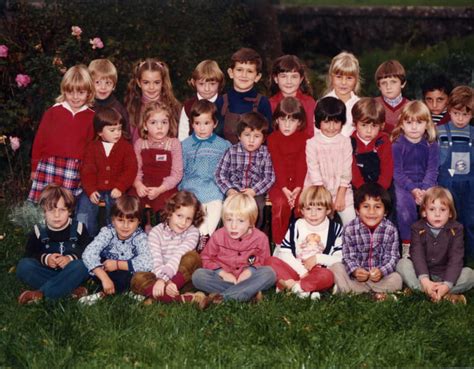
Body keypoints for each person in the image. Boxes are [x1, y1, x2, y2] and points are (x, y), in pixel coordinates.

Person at [28, 65, 95, 203]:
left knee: (66, 204)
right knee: (44, 203)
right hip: (49, 164)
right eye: (71, 92)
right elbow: (39, 141)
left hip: (73, 169)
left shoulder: (92, 117)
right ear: (64, 91)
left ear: (89, 93)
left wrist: (86, 174)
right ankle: (40, 225)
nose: (75, 97)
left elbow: (91, 148)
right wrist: (34, 167)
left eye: (81, 92)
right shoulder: (53, 112)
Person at [130, 191, 209, 308]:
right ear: (170, 213)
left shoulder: (193, 232)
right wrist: (162, 281)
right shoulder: (156, 232)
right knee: (137, 279)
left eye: (188, 219)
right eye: (179, 216)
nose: (183, 223)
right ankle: (184, 299)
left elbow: (178, 255)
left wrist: (170, 282)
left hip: (182, 280)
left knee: (193, 257)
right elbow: (155, 260)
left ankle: (157, 297)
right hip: (159, 279)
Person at [192, 193, 276, 302]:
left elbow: (263, 261)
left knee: (269, 273)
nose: (233, 226)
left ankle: (222, 298)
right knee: (198, 276)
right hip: (223, 279)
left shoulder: (261, 238)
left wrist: (249, 271)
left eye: (240, 221)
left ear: (251, 221)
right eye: (229, 220)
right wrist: (222, 273)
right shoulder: (218, 235)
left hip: (248, 279)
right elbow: (206, 258)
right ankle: (246, 294)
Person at [396, 186, 473, 304]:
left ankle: (432, 291)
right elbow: (417, 255)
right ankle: (439, 293)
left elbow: (456, 259)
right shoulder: (417, 227)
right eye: (432, 209)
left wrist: (447, 285)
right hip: (421, 274)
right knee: (402, 264)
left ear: (450, 213)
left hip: (445, 274)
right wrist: (425, 281)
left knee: (470, 275)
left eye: (442, 209)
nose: (437, 214)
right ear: (424, 212)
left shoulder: (457, 229)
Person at [16, 184, 92, 304]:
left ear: (70, 211)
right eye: (51, 210)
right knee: (23, 266)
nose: (57, 215)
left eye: (62, 210)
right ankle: (69, 290)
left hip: (71, 271)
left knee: (83, 266)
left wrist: (70, 258)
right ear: (43, 211)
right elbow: (30, 254)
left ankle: (41, 294)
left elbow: (88, 251)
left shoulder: (79, 228)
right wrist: (46, 259)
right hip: (46, 271)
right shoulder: (38, 230)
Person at [267, 186, 342, 299]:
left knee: (328, 276)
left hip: (318, 271)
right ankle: (307, 289)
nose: (313, 214)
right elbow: (284, 252)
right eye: (308, 209)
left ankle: (292, 287)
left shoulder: (335, 229)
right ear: (301, 210)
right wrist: (301, 271)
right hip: (295, 268)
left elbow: (339, 258)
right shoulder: (297, 225)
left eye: (319, 209)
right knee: (270, 261)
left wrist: (318, 258)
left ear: (328, 210)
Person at [330, 183, 402, 300]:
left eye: (377, 207)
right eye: (366, 206)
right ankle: (370, 292)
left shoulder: (390, 230)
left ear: (385, 212)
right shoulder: (350, 228)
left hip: (379, 280)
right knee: (336, 267)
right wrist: (355, 271)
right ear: (357, 210)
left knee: (397, 279)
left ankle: (349, 291)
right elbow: (348, 257)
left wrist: (381, 272)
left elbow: (392, 258)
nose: (371, 212)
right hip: (356, 279)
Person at [76, 107, 138, 236]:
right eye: (112, 130)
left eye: (119, 129)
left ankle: (114, 237)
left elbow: (131, 169)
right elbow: (87, 171)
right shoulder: (92, 148)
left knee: (118, 209)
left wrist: (120, 187)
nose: (117, 133)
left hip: (116, 189)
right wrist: (91, 190)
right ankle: (85, 237)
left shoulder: (126, 147)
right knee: (84, 208)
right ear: (100, 132)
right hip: (95, 188)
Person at [80, 195, 152, 304]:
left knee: (133, 276)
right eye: (120, 220)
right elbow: (88, 253)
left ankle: (102, 294)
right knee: (85, 264)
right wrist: (103, 276)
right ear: (113, 220)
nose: (125, 226)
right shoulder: (107, 232)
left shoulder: (140, 237)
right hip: (104, 271)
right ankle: (122, 291)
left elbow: (148, 262)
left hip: (126, 274)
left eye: (131, 221)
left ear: (139, 222)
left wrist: (118, 264)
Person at [179, 100, 231, 249]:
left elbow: (227, 169)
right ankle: (203, 236)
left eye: (206, 123)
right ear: (192, 124)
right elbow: (181, 169)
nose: (201, 128)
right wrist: (181, 187)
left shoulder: (223, 145)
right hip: (192, 184)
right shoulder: (185, 145)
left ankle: (205, 237)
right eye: (197, 123)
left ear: (214, 124)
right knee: (196, 206)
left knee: (216, 205)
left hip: (214, 184)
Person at [391, 101, 439, 255]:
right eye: (409, 122)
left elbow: (432, 170)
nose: (413, 127)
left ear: (427, 124)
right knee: (405, 208)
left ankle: (434, 243)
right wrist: (413, 189)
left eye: (419, 122)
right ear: (402, 124)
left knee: (435, 205)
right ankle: (407, 245)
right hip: (404, 184)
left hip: (427, 182)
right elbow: (397, 172)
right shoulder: (397, 145)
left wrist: (424, 189)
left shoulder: (431, 144)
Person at [215, 111, 275, 230]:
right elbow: (219, 174)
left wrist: (254, 191)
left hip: (255, 192)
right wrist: (229, 190)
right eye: (247, 135)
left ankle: (254, 234)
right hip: (234, 191)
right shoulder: (231, 151)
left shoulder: (265, 153)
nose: (251, 140)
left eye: (257, 136)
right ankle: (229, 234)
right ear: (239, 136)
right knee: (228, 209)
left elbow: (269, 178)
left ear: (263, 139)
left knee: (258, 208)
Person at [305, 96, 356, 225]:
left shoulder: (345, 142)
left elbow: (346, 170)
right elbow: (314, 171)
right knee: (317, 220)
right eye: (327, 122)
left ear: (342, 122)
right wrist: (325, 200)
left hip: (341, 190)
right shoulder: (312, 143)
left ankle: (348, 245)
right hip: (317, 191)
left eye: (336, 122)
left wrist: (340, 196)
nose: (332, 127)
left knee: (350, 221)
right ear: (318, 122)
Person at [130, 101, 183, 224]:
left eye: (164, 122)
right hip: (144, 185)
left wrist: (160, 189)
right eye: (153, 122)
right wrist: (138, 185)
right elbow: (135, 169)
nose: (160, 127)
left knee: (166, 207)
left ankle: (162, 234)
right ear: (145, 125)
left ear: (169, 124)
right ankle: (138, 233)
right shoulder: (140, 143)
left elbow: (177, 173)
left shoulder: (174, 143)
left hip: (165, 187)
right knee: (132, 204)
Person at [437, 86, 474, 259]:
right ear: (449, 110)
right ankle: (446, 256)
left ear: (472, 114)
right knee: (446, 221)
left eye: (465, 114)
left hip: (469, 186)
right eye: (456, 113)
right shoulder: (440, 131)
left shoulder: (473, 134)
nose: (460, 118)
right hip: (446, 185)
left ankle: (469, 257)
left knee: (469, 221)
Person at [267, 97, 308, 245]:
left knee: (302, 206)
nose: (286, 125)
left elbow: (302, 164)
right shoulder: (272, 139)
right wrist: (285, 188)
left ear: (299, 122)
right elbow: (277, 164)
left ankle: (303, 243)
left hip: (299, 184)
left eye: (292, 121)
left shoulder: (305, 138)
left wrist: (297, 188)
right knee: (280, 205)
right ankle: (279, 243)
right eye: (283, 120)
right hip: (278, 184)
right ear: (277, 120)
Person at [220, 47, 272, 143]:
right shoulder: (221, 101)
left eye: (249, 71)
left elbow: (268, 136)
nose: (244, 75)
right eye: (239, 70)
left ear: (257, 77)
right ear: (231, 73)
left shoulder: (262, 103)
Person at [124, 58, 181, 143]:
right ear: (139, 83)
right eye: (146, 82)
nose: (151, 87)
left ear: (163, 82)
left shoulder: (174, 107)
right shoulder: (132, 109)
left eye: (156, 82)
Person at [351, 97, 393, 191]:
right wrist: (362, 189)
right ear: (355, 123)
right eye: (364, 125)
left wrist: (380, 189)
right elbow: (353, 171)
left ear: (381, 125)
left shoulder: (383, 142)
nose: (369, 131)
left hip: (381, 187)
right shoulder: (350, 143)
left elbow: (387, 170)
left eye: (374, 126)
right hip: (358, 187)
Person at [269, 55, 316, 137]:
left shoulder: (309, 103)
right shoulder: (270, 104)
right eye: (283, 76)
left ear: (301, 79)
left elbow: (311, 132)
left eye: (294, 77)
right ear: (276, 79)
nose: (289, 81)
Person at [178, 60, 225, 141]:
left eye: (212, 84)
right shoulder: (188, 106)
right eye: (201, 84)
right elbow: (183, 135)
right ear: (194, 82)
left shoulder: (225, 103)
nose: (207, 89)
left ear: (220, 83)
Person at [88, 58, 131, 139]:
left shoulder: (118, 109)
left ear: (114, 86)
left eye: (108, 83)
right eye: (98, 82)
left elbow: (126, 134)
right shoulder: (87, 107)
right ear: (90, 84)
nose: (103, 87)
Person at [323, 51, 361, 137]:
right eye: (339, 77)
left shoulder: (360, 105)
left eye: (349, 78)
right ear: (331, 77)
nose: (344, 82)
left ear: (356, 80)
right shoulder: (322, 104)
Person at [374, 60, 410, 134]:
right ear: (379, 86)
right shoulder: (373, 105)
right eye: (384, 83)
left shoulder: (411, 107)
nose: (388, 87)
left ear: (403, 84)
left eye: (393, 82)